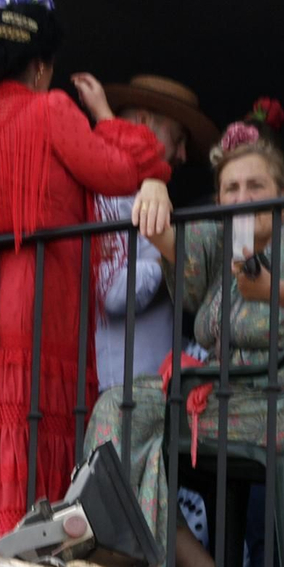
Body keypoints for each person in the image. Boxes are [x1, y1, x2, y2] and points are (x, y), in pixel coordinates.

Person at [0, 0, 172, 567]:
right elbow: (129, 167)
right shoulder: (51, 110)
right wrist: (105, 113)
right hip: (37, 304)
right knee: (33, 422)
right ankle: (29, 547)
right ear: (42, 65)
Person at [84, 121, 284, 567]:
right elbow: (165, 236)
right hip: (224, 399)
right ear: (219, 201)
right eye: (231, 189)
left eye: (256, 185)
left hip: (279, 404)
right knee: (125, 427)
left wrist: (277, 289)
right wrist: (154, 187)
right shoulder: (224, 246)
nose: (243, 198)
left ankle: (122, 561)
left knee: (121, 412)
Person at [71, 74, 217, 390]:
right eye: (178, 138)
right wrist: (174, 255)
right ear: (143, 121)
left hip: (147, 386)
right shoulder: (109, 192)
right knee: (104, 443)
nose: (182, 155)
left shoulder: (138, 192)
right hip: (120, 390)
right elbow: (112, 294)